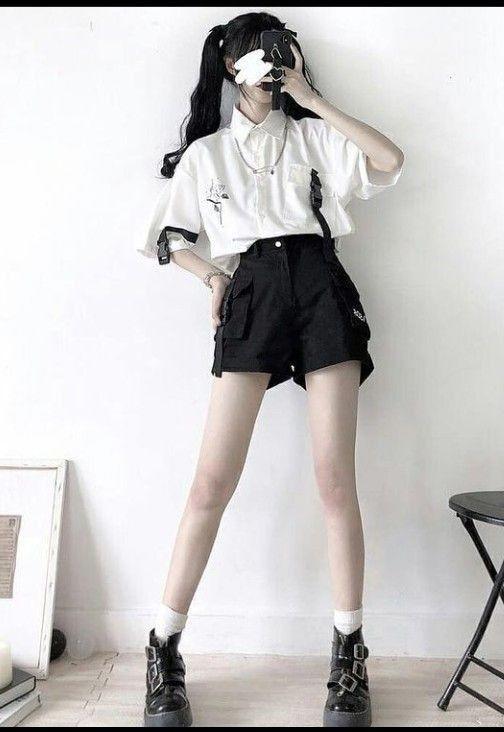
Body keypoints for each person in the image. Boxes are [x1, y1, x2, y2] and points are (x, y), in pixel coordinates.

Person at [139, 11, 404, 728]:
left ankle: (349, 654)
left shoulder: (315, 135)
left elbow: (390, 160)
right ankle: (163, 646)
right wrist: (212, 277)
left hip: (320, 288)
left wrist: (314, 99)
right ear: (232, 68)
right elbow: (166, 235)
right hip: (252, 290)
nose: (271, 65)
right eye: (258, 56)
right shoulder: (209, 155)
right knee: (211, 482)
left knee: (334, 479)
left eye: (281, 54)